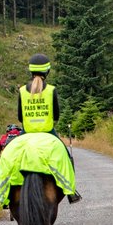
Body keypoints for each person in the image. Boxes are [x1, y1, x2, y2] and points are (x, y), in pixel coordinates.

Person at [17, 53, 81, 203]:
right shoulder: (51, 90)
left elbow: (20, 117)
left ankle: (2, 193)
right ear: (47, 71)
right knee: (66, 156)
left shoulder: (21, 91)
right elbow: (56, 115)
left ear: (31, 71)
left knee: (7, 155)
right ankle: (71, 192)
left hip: (26, 133)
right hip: (48, 133)